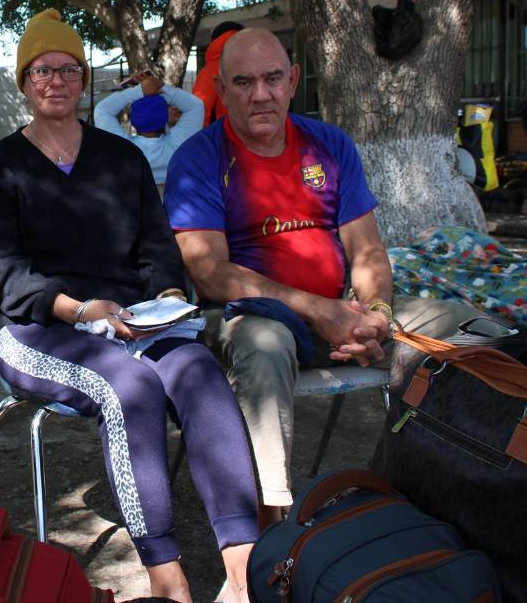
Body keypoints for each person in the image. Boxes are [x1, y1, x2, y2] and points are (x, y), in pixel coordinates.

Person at [0, 9, 260, 603]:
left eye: (69, 68)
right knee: (128, 387)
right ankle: (166, 575)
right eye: (42, 69)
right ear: (25, 81)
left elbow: (156, 244)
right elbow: (1, 274)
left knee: (200, 370)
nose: (56, 79)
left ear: (85, 80)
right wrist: (80, 309)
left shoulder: (121, 158)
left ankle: (242, 566)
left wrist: (171, 296)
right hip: (41, 328)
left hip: (132, 317)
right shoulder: (0, 166)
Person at [166, 28, 476, 524]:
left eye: (272, 79)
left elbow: (368, 248)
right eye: (243, 82)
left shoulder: (330, 145)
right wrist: (315, 308)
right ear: (221, 92)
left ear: (293, 80)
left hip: (346, 310)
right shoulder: (199, 159)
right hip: (254, 316)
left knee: (471, 330)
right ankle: (271, 530)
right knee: (263, 347)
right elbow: (209, 274)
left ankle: (451, 488)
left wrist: (376, 315)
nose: (261, 94)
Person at [93, 70, 203, 191]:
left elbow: (102, 110)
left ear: (133, 120)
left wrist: (139, 91)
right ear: (165, 118)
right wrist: (160, 87)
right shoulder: (177, 145)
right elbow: (195, 106)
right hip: (171, 200)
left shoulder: (124, 149)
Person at [191, 21, 243, 127]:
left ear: (214, 42)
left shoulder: (211, 70)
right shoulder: (255, 64)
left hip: (221, 137)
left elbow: (199, 110)